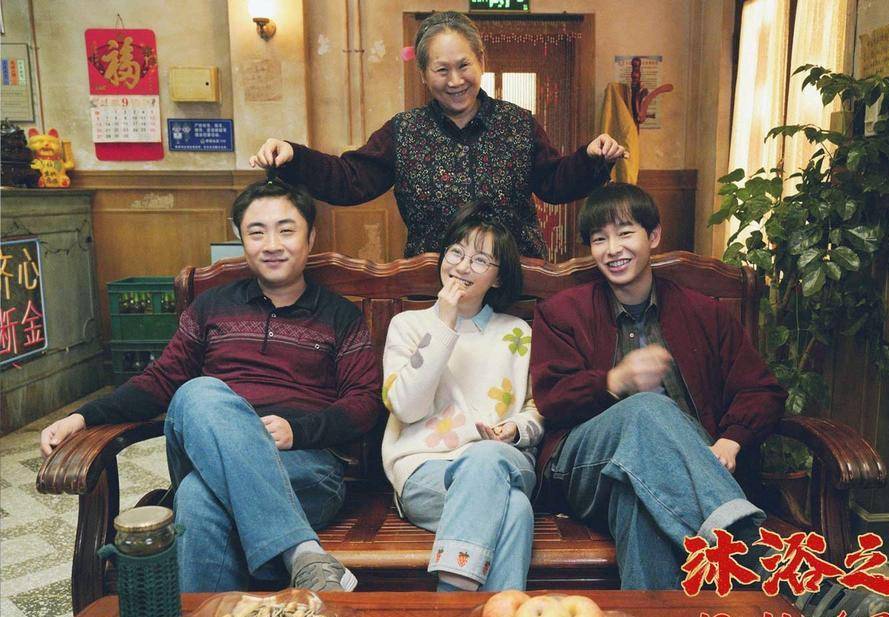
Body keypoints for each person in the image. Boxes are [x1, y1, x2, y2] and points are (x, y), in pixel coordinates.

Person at [528, 183, 889, 616]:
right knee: (646, 408)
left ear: (654, 236)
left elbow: (761, 390)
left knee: (640, 502)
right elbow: (551, 399)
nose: (612, 249)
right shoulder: (562, 312)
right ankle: (764, 558)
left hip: (678, 474)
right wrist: (613, 380)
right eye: (599, 239)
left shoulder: (704, 312)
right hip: (585, 469)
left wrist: (731, 440)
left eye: (625, 233)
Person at [39, 180, 383, 593]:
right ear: (241, 239)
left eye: (286, 230)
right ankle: (301, 553)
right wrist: (83, 416)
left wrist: (298, 432)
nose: (272, 244)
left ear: (310, 237)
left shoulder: (340, 317)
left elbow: (364, 402)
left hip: (304, 469)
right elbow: (160, 381)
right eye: (257, 232)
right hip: (212, 452)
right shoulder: (212, 306)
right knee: (198, 392)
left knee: (197, 498)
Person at [250, 10, 625, 259]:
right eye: (442, 70)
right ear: (424, 75)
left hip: (515, 285)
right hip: (432, 290)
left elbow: (554, 183)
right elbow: (350, 180)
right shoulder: (404, 131)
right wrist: (294, 157)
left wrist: (591, 159)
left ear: (481, 62)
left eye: (464, 65)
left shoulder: (518, 123)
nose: (455, 80)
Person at [381, 205, 543, 591]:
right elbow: (406, 407)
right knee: (515, 509)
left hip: (502, 460)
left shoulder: (518, 333)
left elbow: (537, 409)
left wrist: (514, 429)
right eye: (456, 252)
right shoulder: (407, 326)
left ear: (498, 277)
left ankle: (452, 600)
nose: (463, 266)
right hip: (425, 468)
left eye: (480, 259)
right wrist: (444, 323)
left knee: (484, 457)